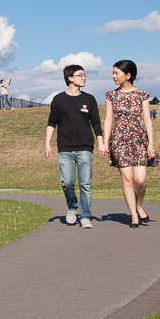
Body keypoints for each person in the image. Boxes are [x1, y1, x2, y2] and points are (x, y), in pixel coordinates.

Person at [103, 60, 160, 228]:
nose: (114, 76)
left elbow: (147, 120)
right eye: (113, 73)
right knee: (128, 179)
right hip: (119, 140)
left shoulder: (142, 95)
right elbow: (108, 120)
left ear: (128, 75)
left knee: (140, 180)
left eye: (117, 73)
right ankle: (134, 216)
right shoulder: (111, 95)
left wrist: (151, 144)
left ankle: (139, 205)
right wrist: (106, 143)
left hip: (138, 140)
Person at [45, 64, 104, 229]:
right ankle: (72, 207)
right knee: (67, 182)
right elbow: (51, 123)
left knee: (85, 183)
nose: (84, 78)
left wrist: (101, 142)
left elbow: (96, 123)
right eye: (80, 75)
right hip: (65, 148)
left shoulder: (89, 99)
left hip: (85, 147)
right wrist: (47, 144)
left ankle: (85, 216)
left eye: (85, 75)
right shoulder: (58, 100)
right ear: (70, 78)